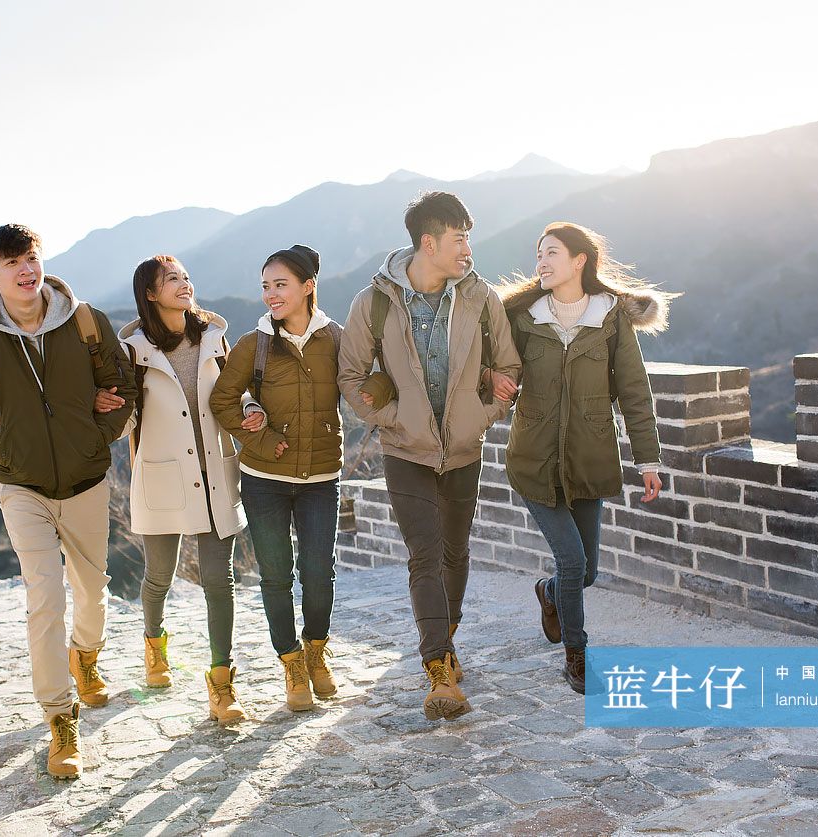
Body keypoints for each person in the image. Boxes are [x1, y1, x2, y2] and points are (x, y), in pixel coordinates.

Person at [0, 223, 137, 779]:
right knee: (45, 598)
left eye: (30, 258)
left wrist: (99, 432)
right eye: (12, 264)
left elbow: (122, 385)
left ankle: (87, 659)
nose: (26, 270)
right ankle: (60, 720)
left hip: (86, 479)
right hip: (21, 485)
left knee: (92, 591)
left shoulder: (84, 321)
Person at [337, 192, 520, 720]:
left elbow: (507, 369)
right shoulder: (373, 302)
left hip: (464, 448)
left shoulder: (481, 298)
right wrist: (391, 421)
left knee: (455, 554)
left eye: (469, 239)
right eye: (460, 239)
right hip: (406, 451)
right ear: (429, 242)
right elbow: (350, 375)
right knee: (424, 553)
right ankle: (438, 668)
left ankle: (448, 635)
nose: (468, 250)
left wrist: (480, 417)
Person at [499, 221, 672, 694]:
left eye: (552, 252)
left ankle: (548, 592)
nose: (541, 262)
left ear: (580, 260)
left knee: (586, 572)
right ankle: (577, 656)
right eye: (538, 254)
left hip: (589, 459)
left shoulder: (611, 316)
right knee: (573, 563)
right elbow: (494, 375)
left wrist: (648, 460)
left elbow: (634, 391)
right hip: (533, 460)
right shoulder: (522, 317)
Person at [104, 254, 261, 726]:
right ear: (150, 294)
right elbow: (125, 417)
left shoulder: (215, 336)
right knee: (159, 577)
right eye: (171, 279)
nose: (184, 284)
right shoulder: (133, 350)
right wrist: (105, 413)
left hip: (215, 472)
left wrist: (253, 408)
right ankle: (154, 645)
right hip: (162, 477)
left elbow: (237, 388)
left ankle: (221, 681)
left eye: (187, 277)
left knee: (220, 581)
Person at [211, 244, 343, 713]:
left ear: (308, 286)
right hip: (264, 477)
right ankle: (290, 663)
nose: (270, 294)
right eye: (265, 286)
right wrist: (263, 440)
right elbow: (222, 401)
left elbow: (365, 383)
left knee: (318, 573)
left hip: (321, 476)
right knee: (274, 574)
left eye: (280, 284)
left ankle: (316, 651)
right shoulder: (254, 344)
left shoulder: (337, 340)